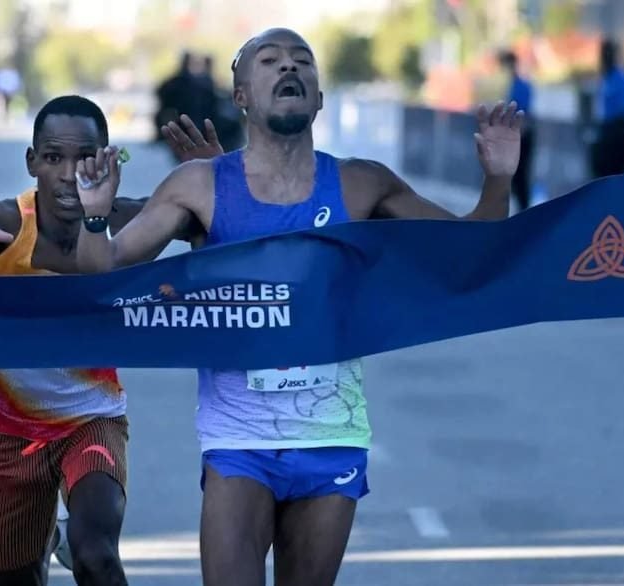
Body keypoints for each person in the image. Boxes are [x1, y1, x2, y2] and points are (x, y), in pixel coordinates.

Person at [72, 28, 522, 586]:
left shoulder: (361, 185)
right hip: (238, 438)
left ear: (320, 97)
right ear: (240, 96)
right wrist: (95, 216)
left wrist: (498, 179)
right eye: (270, 60)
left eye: (302, 61)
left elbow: (469, 252)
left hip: (331, 435)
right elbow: (104, 272)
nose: (289, 67)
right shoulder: (199, 186)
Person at [0, 95, 221, 586]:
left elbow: (211, 222)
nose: (68, 174)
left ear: (107, 159)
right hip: (5, 434)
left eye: (84, 158)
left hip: (91, 419)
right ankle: (43, 535)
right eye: (52, 158)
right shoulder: (6, 220)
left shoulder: (126, 222)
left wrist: (215, 180)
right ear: (32, 162)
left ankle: (72, 534)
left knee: (95, 556)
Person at [590, 39, 624, 179]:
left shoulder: (623, 79)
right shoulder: (604, 79)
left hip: (617, 133)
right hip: (605, 133)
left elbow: (623, 109)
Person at [499, 49, 535, 211]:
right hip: (515, 134)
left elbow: (524, 113)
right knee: (515, 176)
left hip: (522, 135)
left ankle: (524, 210)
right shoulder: (513, 85)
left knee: (521, 174)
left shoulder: (521, 85)